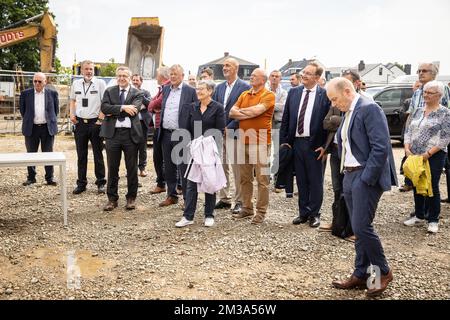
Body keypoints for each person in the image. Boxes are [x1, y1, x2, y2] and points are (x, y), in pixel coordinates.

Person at [328, 77, 397, 297]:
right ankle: (360, 273)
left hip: (364, 177)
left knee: (361, 227)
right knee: (358, 229)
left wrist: (367, 178)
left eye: (334, 99)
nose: (333, 104)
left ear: (347, 91)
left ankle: (383, 271)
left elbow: (381, 147)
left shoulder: (369, 109)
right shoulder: (348, 111)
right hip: (350, 175)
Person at [280, 62, 331, 228]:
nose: (304, 75)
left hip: (315, 145)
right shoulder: (293, 92)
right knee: (301, 180)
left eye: (308, 73)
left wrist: (325, 146)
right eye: (303, 72)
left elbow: (329, 124)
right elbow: (286, 118)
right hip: (296, 143)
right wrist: (285, 142)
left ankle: (315, 214)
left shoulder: (325, 95)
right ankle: (303, 213)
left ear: (317, 78)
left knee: (315, 181)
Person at [175, 80, 225, 227]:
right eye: (197, 90)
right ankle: (188, 216)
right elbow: (185, 128)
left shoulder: (218, 108)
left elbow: (219, 130)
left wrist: (207, 145)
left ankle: (209, 215)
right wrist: (192, 146)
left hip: (209, 150)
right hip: (193, 149)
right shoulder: (191, 107)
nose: (198, 92)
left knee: (210, 181)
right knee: (191, 183)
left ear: (210, 91)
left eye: (202, 89)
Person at [403, 80, 450, 233]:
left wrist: (428, 153)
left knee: (431, 185)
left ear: (439, 95)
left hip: (434, 154)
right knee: (416, 183)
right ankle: (419, 215)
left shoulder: (445, 113)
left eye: (430, 93)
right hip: (415, 154)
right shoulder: (418, 110)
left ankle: (433, 219)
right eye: (425, 92)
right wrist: (407, 147)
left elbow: (445, 137)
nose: (426, 95)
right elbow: (409, 130)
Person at [229, 68, 275, 224]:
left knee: (263, 179)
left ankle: (261, 212)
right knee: (245, 178)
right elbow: (231, 113)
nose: (251, 77)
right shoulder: (244, 94)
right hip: (244, 140)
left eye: (254, 76)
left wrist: (241, 112)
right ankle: (247, 208)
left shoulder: (268, 95)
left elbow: (258, 111)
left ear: (263, 80)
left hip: (261, 141)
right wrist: (246, 112)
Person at [100, 66, 144, 211]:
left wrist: (114, 111)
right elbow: (105, 108)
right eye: (119, 76)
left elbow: (135, 111)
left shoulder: (137, 93)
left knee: (131, 168)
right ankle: (112, 199)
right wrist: (123, 108)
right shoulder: (109, 91)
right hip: (112, 135)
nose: (121, 78)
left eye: (124, 76)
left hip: (130, 135)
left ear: (130, 78)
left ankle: (131, 198)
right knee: (112, 168)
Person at [213, 57, 251, 213]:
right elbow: (215, 107)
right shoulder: (219, 87)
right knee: (220, 166)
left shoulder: (245, 87)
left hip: (235, 132)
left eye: (228, 65)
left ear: (236, 68)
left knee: (237, 168)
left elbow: (245, 110)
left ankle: (240, 200)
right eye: (223, 66)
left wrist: (231, 126)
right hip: (218, 133)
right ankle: (224, 198)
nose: (224, 67)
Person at [158, 64, 198, 207]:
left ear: (182, 76)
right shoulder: (166, 89)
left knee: (184, 168)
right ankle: (172, 195)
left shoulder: (190, 91)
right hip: (166, 133)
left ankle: (188, 199)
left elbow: (195, 114)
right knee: (169, 167)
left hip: (182, 134)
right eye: (171, 74)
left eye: (176, 74)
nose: (173, 76)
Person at [69, 60, 107, 194]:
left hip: (95, 123)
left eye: (91, 69)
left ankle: (101, 182)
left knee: (98, 154)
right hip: (80, 124)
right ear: (81, 70)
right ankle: (81, 183)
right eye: (86, 69)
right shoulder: (76, 84)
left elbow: (105, 103)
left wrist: (100, 119)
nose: (89, 71)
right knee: (81, 155)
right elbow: (73, 100)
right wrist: (72, 115)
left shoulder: (100, 83)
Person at [20, 72, 59, 186]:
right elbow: (23, 111)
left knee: (48, 153)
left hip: (47, 128)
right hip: (31, 128)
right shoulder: (25, 94)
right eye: (35, 81)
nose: (37, 83)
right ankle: (31, 178)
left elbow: (55, 111)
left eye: (39, 81)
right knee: (31, 154)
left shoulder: (52, 93)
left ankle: (49, 178)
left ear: (45, 82)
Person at [146, 66, 170, 194]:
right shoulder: (162, 88)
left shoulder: (167, 87)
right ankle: (161, 183)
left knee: (163, 157)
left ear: (163, 76)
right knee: (158, 157)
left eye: (157, 75)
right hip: (157, 126)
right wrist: (153, 105)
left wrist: (154, 105)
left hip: (163, 126)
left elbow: (155, 103)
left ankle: (164, 184)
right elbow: (153, 103)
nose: (156, 77)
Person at [267, 70, 287, 186]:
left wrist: (268, 104)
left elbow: (283, 107)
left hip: (278, 123)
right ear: (269, 78)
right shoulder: (264, 90)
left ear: (280, 78)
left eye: (277, 76)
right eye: (272, 76)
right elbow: (262, 104)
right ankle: (266, 175)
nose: (274, 78)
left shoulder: (284, 92)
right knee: (265, 150)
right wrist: (275, 104)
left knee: (277, 150)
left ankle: (275, 174)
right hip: (266, 122)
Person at [131, 74, 152, 178]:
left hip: (142, 123)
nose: (135, 82)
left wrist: (140, 95)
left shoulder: (146, 92)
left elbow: (150, 104)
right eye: (133, 80)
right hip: (131, 123)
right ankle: (131, 169)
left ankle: (142, 168)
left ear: (141, 81)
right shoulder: (128, 92)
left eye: (137, 80)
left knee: (142, 146)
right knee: (131, 146)